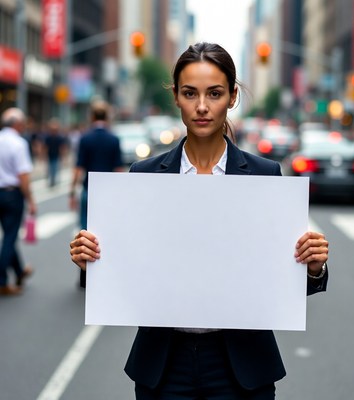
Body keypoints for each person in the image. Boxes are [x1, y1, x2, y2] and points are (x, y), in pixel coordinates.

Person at [70, 42, 329, 399]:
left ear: (233, 97)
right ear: (175, 97)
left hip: (241, 364)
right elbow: (124, 273)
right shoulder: (144, 175)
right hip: (164, 363)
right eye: (190, 93)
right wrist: (90, 262)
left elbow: (281, 284)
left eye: (215, 93)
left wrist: (312, 267)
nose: (203, 106)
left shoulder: (264, 175)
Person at [69, 100, 124, 231]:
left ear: (92, 117)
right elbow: (118, 169)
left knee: (85, 229)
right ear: (107, 117)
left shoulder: (85, 138)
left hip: (88, 189)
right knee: (106, 228)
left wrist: (72, 192)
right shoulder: (114, 139)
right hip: (107, 191)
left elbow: (78, 167)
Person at [0, 108, 36, 296]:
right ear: (18, 124)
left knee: (9, 235)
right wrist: (31, 200)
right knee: (10, 236)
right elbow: (23, 176)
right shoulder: (19, 143)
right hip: (12, 194)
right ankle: (2, 281)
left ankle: (19, 270)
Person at [43, 117, 68, 187]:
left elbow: (62, 147)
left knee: (55, 168)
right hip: (50, 155)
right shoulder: (48, 137)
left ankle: (54, 180)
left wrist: (63, 156)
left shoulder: (59, 137)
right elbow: (45, 147)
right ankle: (51, 180)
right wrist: (43, 155)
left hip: (56, 155)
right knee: (50, 168)